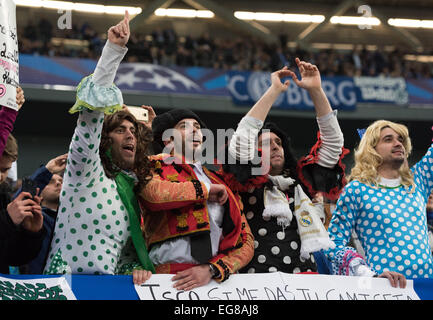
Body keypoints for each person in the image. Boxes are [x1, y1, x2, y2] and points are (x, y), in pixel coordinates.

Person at [44, 11, 155, 276]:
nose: (130, 135)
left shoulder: (131, 193)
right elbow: (91, 117)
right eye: (120, 130)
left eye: (133, 131)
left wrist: (136, 269)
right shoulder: (85, 170)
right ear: (104, 139)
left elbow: (124, 258)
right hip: (63, 289)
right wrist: (113, 52)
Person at [224, 59, 347, 275]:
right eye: (264, 143)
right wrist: (273, 90)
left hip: (305, 281)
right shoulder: (245, 183)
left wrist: (316, 90)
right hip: (254, 283)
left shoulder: (303, 183)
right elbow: (241, 140)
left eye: (278, 143)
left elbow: (333, 144)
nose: (274, 147)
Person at [136, 106, 260, 290]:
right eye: (184, 126)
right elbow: (154, 194)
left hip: (212, 281)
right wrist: (206, 191)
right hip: (164, 279)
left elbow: (245, 241)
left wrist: (212, 269)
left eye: (197, 126)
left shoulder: (220, 182)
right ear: (169, 138)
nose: (195, 130)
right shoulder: (151, 166)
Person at [325, 120, 433, 286]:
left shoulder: (418, 180)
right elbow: (333, 242)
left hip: (426, 287)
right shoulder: (357, 189)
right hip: (384, 287)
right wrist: (365, 272)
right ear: (371, 149)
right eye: (388, 139)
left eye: (401, 139)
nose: (398, 144)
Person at [0, 88, 45, 274]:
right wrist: (7, 220)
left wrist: (30, 233)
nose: (1, 176)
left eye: (4, 170)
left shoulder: (3, 194)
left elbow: (11, 257)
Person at [12, 154, 67, 274]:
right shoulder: (32, 218)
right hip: (36, 285)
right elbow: (16, 205)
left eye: (61, 181)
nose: (58, 184)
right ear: (39, 192)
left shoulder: (71, 219)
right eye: (51, 182)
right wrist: (46, 172)